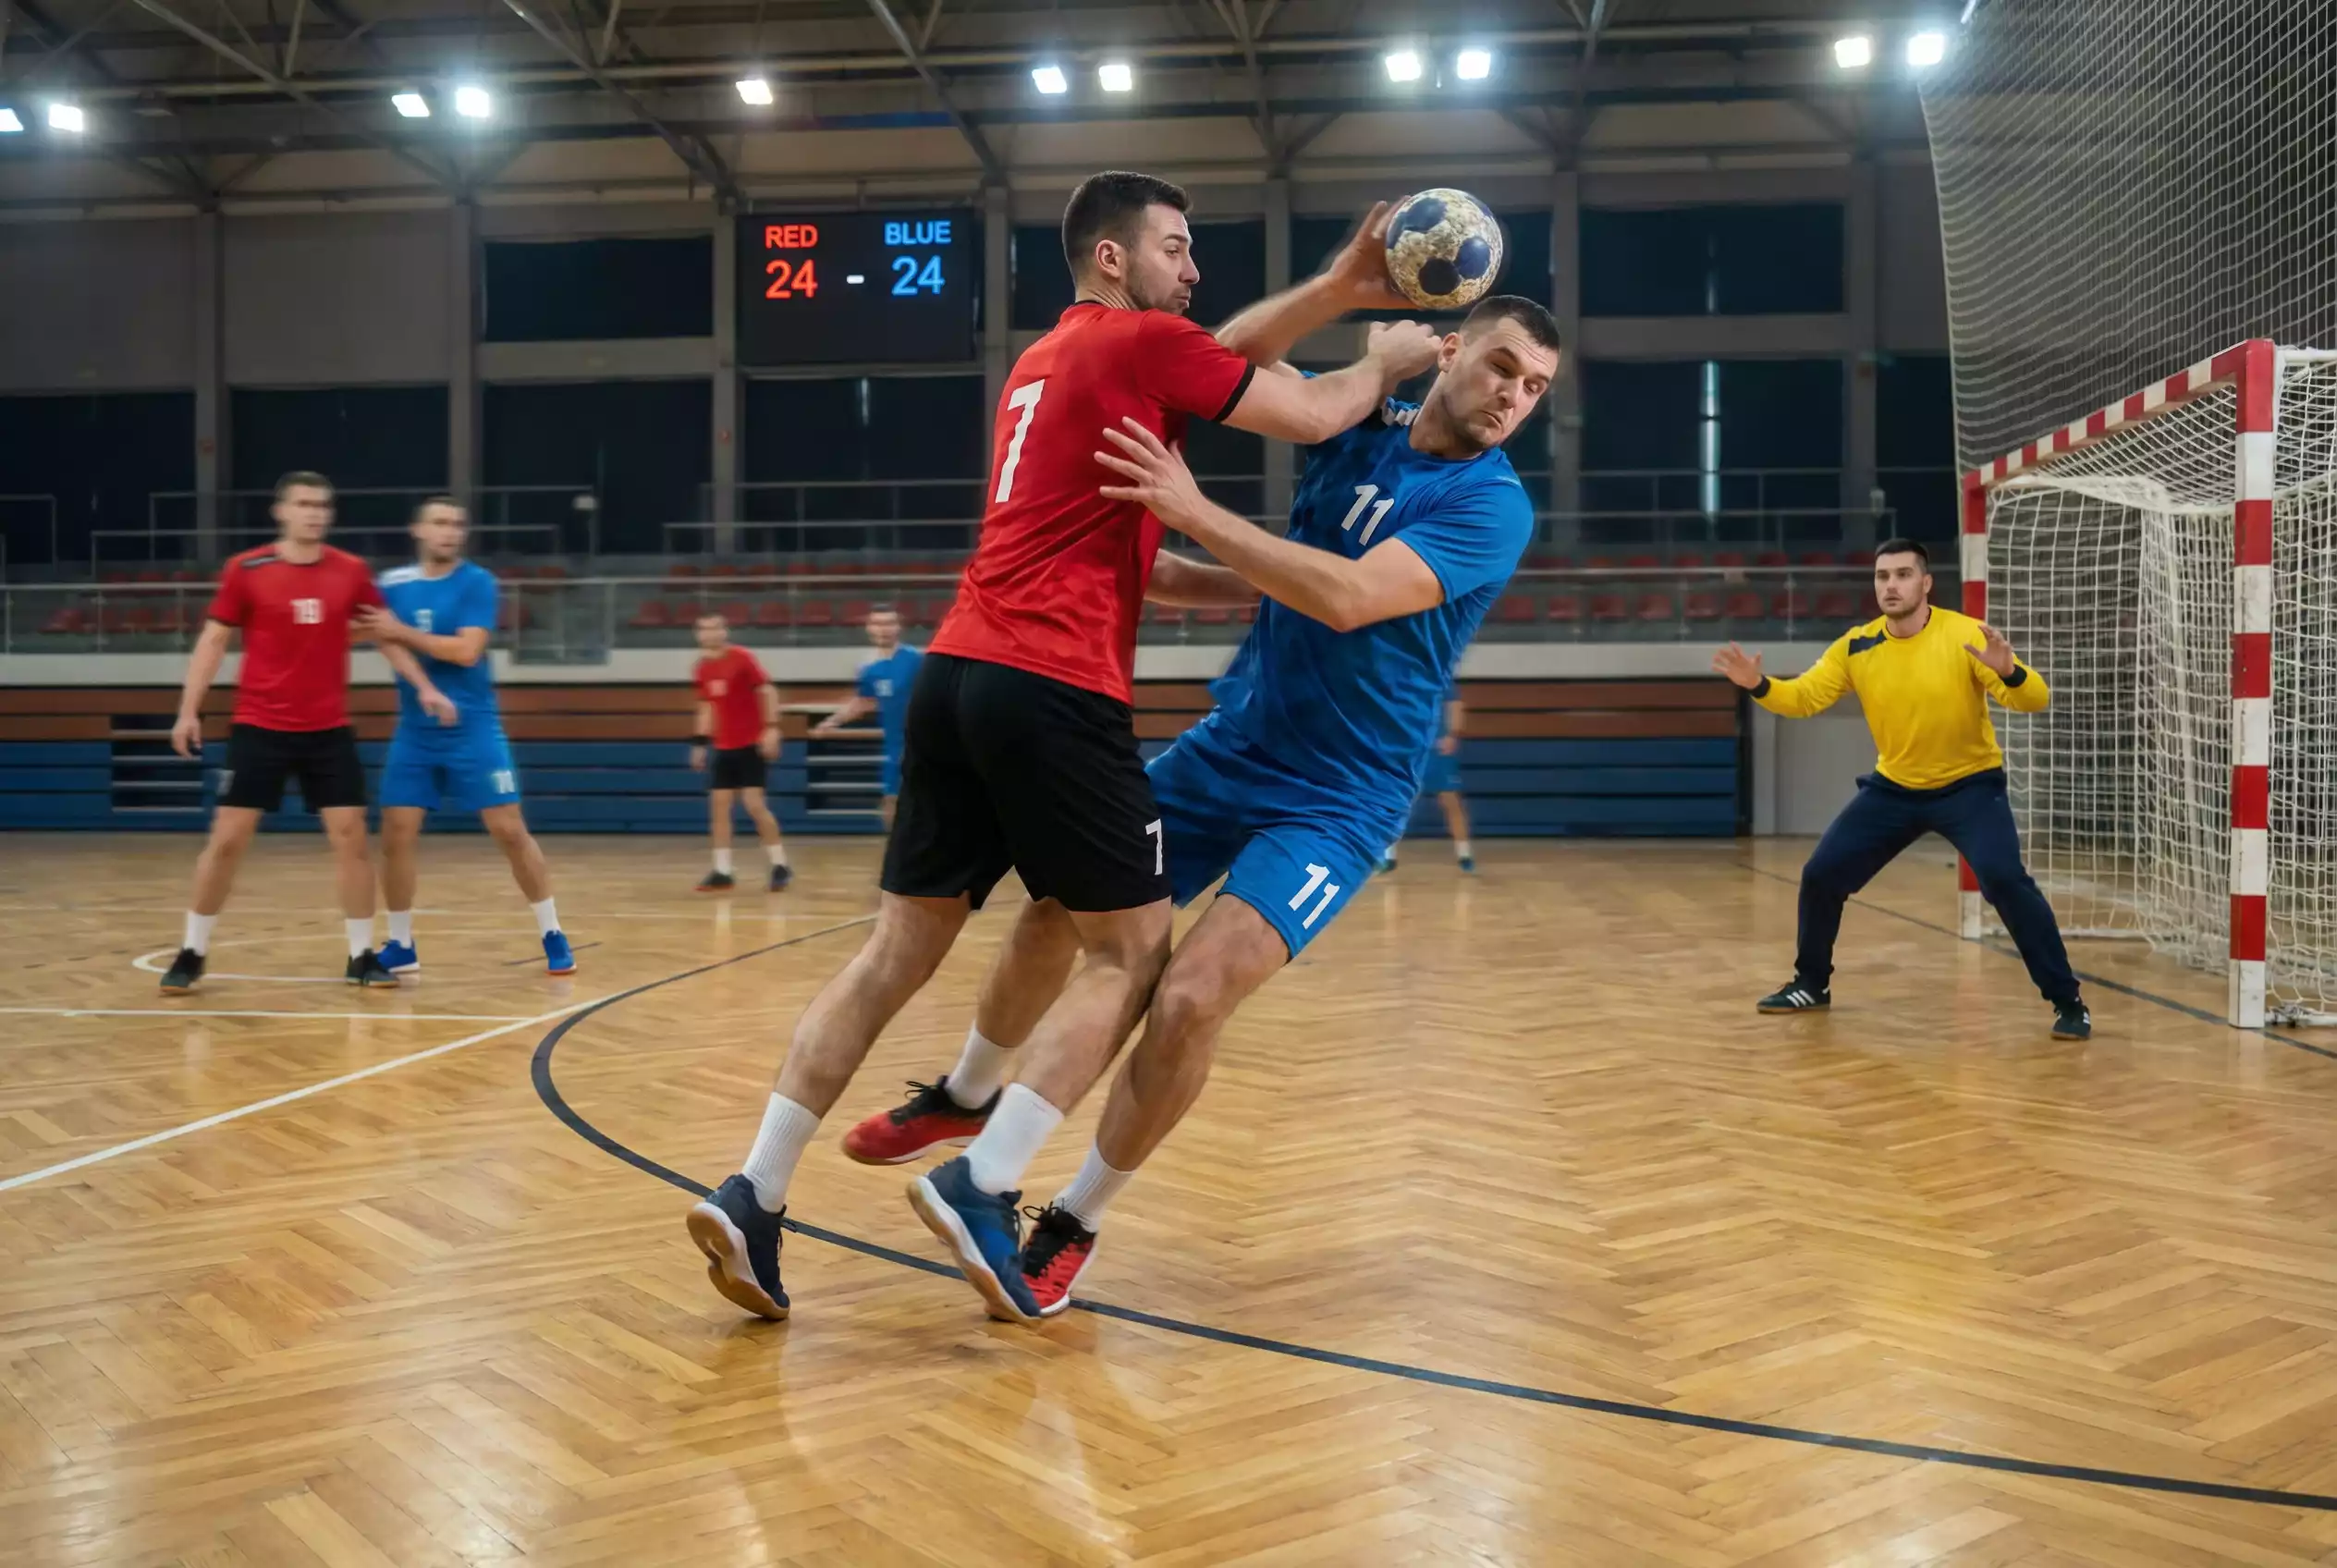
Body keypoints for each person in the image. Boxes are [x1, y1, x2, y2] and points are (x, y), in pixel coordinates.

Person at [685, 169, 1440, 1324]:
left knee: (896, 950)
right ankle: (982, 1182)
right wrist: (1378, 359)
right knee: (1131, 953)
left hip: (954, 672)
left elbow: (1149, 553)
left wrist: (1334, 296)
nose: (1193, 273)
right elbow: (1313, 411)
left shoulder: (1047, 366)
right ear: (1111, 258)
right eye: (1177, 249)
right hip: (1050, 687)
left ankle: (756, 1189)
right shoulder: (1139, 344)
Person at [845, 293, 1561, 1320]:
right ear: (1448, 351)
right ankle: (966, 1095)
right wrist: (1361, 355)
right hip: (1234, 744)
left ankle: (1073, 1218)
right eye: (1499, 366)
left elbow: (1348, 594)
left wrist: (1191, 513)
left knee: (1186, 996)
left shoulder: (1494, 507)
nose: (1511, 397)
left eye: (1533, 387)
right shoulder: (1362, 422)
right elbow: (1214, 362)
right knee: (1060, 914)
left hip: (1340, 796)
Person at [1710, 537, 2090, 1039]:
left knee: (2004, 881)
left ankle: (2068, 1002)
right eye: (1882, 576)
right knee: (1822, 874)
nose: (1891, 585)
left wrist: (2009, 671)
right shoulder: (1858, 645)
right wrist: (1759, 685)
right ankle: (1812, 982)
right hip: (1895, 788)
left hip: (1970, 788)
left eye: (1903, 575)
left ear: (1926, 583)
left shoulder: (1965, 635)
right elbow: (1803, 698)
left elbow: (2033, 700)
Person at [159, 472, 456, 995]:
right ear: (282, 512)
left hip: (328, 731)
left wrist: (425, 686)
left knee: (351, 842)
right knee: (226, 841)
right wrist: (189, 712)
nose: (314, 513)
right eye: (303, 504)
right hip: (259, 727)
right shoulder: (246, 570)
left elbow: (384, 635)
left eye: (322, 505)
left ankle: (361, 955)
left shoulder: (350, 571)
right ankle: (192, 951)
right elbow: (212, 643)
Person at [357, 498, 576, 977]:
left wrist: (399, 630)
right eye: (439, 522)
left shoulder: (478, 582)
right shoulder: (392, 585)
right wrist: (417, 677)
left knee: (509, 831)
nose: (449, 532)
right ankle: (400, 943)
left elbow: (466, 650)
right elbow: (377, 636)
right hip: (416, 731)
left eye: (457, 524)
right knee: (396, 834)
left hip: (473, 727)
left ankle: (552, 930)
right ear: (418, 529)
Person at [689, 613, 790, 892]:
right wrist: (699, 743)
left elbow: (767, 690)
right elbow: (707, 707)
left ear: (724, 631)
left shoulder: (742, 658)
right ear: (698, 634)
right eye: (704, 629)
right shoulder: (701, 668)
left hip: (750, 743)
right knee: (719, 807)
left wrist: (771, 728)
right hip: (723, 745)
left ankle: (779, 864)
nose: (710, 634)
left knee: (754, 804)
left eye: (714, 628)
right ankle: (723, 870)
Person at [810, 605, 924, 830]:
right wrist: (832, 721)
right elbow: (863, 701)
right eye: (878, 624)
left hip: (923, 744)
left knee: (928, 803)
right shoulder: (868, 668)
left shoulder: (917, 660)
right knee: (891, 801)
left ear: (899, 627)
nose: (884, 629)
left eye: (889, 623)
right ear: (869, 628)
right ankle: (897, 857)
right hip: (894, 747)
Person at [1377, 689, 1474, 874]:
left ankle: (1465, 855)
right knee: (1397, 804)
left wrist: (1452, 735)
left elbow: (1455, 705)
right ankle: (1388, 857)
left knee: (1451, 801)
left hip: (1437, 751)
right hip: (1409, 752)